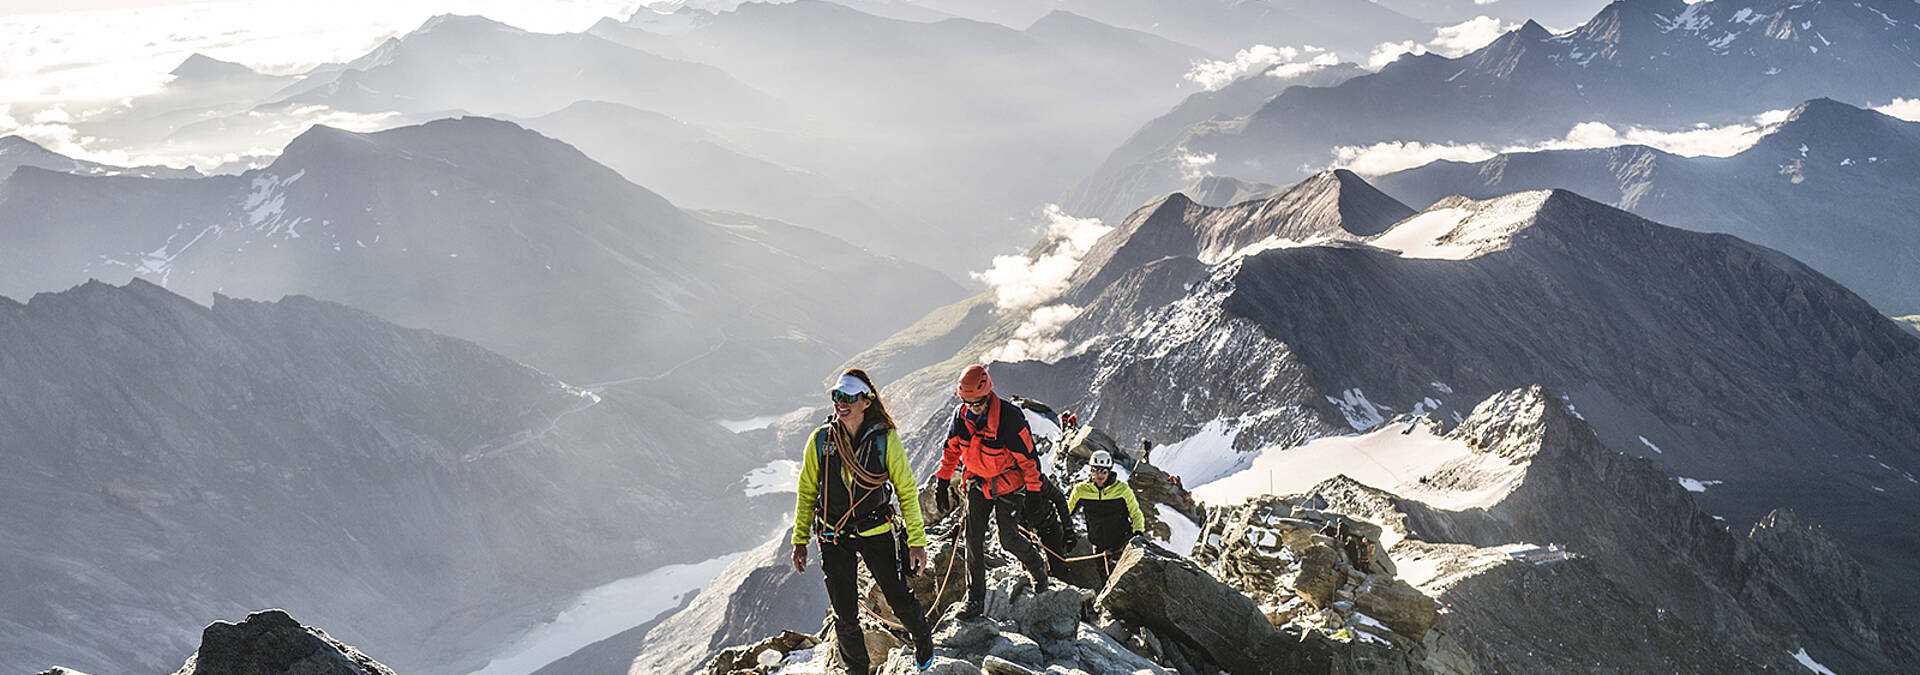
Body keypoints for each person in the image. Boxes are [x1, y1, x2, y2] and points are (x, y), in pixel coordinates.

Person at [791, 369, 934, 672]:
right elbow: (806, 492)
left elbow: (906, 491)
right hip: (832, 536)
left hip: (876, 529)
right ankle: (857, 670)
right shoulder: (820, 441)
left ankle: (921, 635)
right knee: (845, 614)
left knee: (896, 595)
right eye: (836, 396)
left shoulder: (885, 440)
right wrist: (799, 541)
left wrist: (917, 544)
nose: (840, 403)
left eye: (847, 397)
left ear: (866, 402)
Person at [934, 364, 1051, 619]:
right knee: (972, 539)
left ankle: (1036, 567)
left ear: (988, 395)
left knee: (1008, 539)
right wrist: (942, 480)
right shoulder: (961, 417)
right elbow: (952, 450)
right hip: (978, 482)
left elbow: (1029, 460)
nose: (973, 407)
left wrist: (1033, 493)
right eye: (968, 402)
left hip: (1008, 484)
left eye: (978, 402)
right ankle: (975, 600)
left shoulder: (1010, 419)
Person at [1068, 450, 1145, 585]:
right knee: (1106, 581)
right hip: (1099, 545)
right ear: (1090, 470)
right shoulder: (1081, 491)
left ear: (1109, 471)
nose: (1100, 475)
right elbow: (1066, 512)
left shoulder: (1122, 490)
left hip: (1121, 543)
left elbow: (1136, 513)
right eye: (1096, 470)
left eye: (1104, 471)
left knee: (1124, 582)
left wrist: (1138, 533)